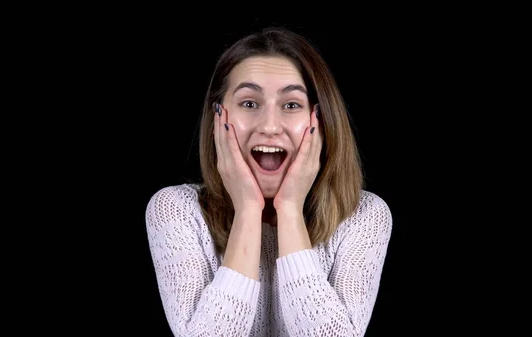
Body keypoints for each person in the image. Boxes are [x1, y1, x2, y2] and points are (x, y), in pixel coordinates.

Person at [145, 26, 393, 336]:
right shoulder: (176, 210)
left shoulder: (364, 215)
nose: (270, 126)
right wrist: (248, 210)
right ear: (218, 119)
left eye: (291, 105)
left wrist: (289, 209)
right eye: (249, 103)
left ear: (321, 120)